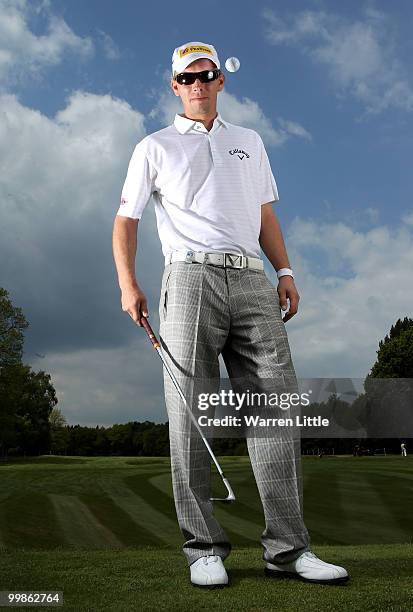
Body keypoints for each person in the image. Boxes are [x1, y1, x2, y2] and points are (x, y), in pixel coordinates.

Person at [112, 41, 349, 588]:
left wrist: (285, 271)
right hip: (189, 277)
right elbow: (126, 219)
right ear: (174, 85)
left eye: (207, 75)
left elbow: (264, 212)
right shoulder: (154, 146)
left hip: (251, 279)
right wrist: (129, 285)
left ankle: (288, 551)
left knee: (276, 409)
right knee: (191, 412)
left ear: (220, 81)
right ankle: (203, 549)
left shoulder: (250, 142)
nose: (197, 84)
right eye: (187, 78)